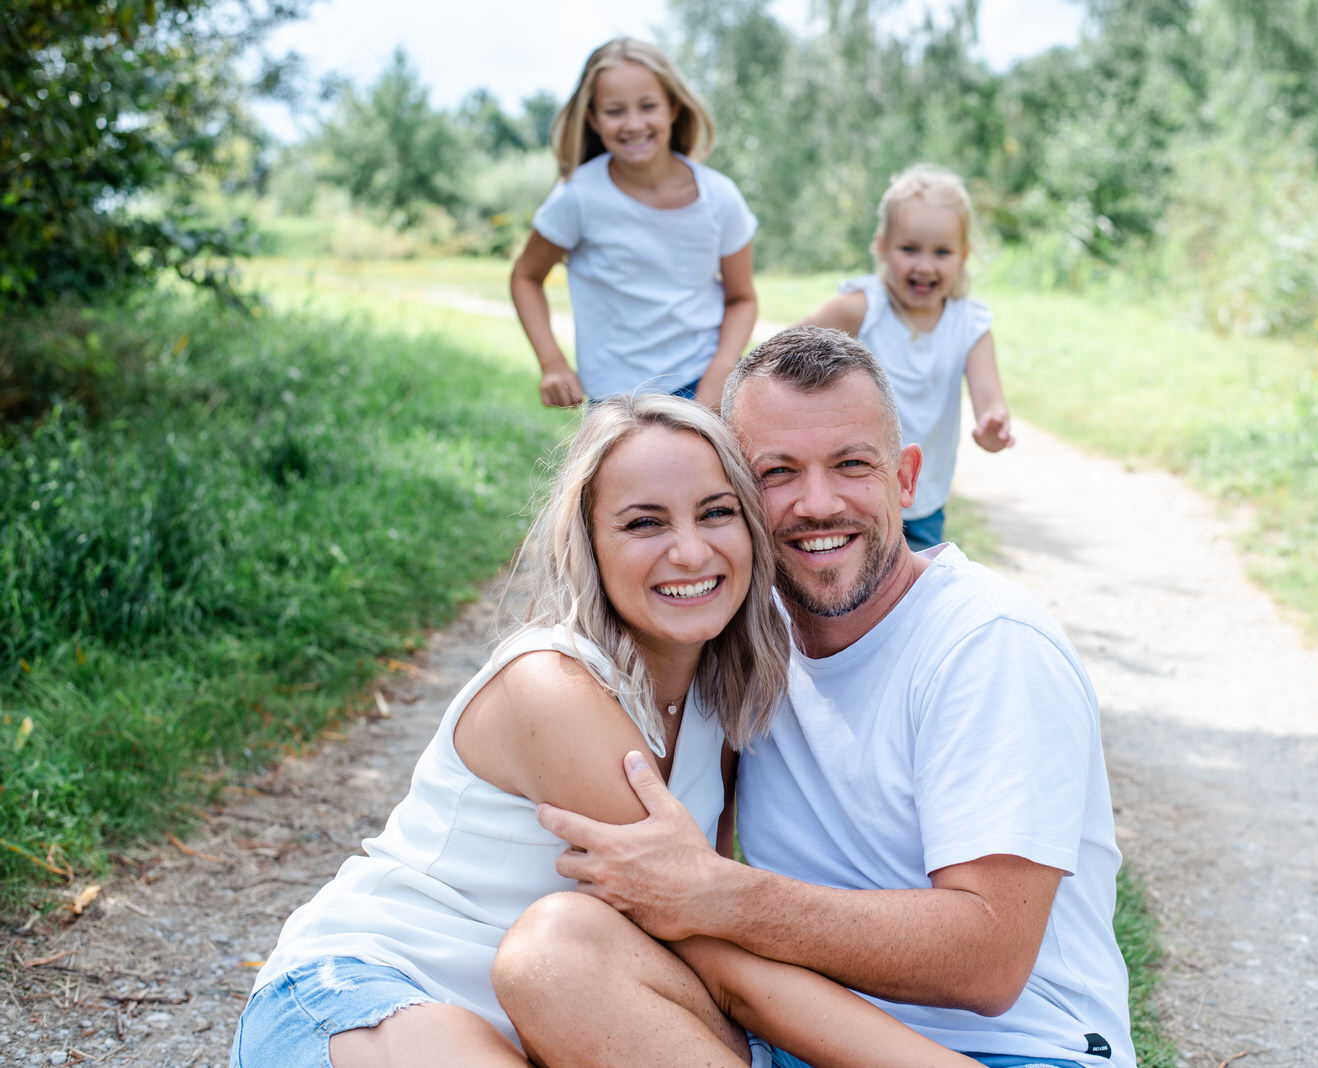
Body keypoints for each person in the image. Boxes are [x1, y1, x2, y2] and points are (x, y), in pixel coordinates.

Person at [231, 394, 987, 1068]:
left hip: (541, 1020)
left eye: (717, 512)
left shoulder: (719, 705)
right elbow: (723, 962)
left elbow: (701, 936)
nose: (689, 551)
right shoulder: (551, 687)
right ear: (591, 544)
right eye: (644, 523)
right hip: (368, 995)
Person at [530, 327, 1133, 1068]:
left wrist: (720, 894)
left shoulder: (988, 644)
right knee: (558, 953)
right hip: (804, 1032)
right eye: (777, 473)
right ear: (739, 499)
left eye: (851, 465)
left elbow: (989, 960)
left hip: (1009, 1051)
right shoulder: (748, 636)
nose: (818, 504)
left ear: (905, 480)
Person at [510, 36, 758, 411]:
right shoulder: (578, 196)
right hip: (616, 400)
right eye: (614, 111)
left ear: (673, 108)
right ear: (592, 119)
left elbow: (741, 298)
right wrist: (552, 363)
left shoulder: (720, 197)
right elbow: (526, 276)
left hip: (702, 383)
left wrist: (720, 373)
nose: (633, 124)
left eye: (647, 106)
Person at [799, 163, 1014, 552]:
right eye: (909, 248)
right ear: (882, 246)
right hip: (850, 495)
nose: (924, 265)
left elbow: (990, 399)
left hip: (923, 502)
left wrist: (994, 428)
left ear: (963, 255)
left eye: (942, 252)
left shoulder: (969, 324)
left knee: (915, 601)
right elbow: (777, 361)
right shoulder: (859, 309)